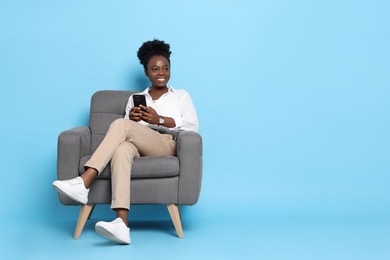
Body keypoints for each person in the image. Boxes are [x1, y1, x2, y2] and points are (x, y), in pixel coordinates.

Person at [52, 39, 199, 244]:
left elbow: (192, 127)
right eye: (155, 69)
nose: (161, 73)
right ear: (146, 72)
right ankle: (122, 224)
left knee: (121, 124)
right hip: (138, 143)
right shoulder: (136, 98)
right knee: (121, 149)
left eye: (166, 68)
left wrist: (160, 120)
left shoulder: (181, 96)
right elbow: (126, 131)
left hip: (166, 143)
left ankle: (85, 181)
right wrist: (135, 120)